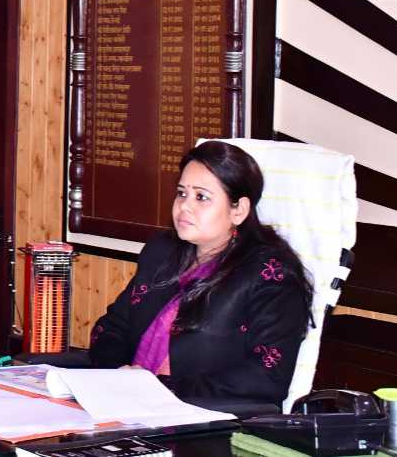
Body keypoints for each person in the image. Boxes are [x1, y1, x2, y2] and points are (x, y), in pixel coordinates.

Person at [87, 141, 313, 409]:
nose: (184, 206)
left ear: (238, 210)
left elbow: (267, 377)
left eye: (201, 197)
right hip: (126, 403)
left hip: (206, 417)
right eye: (181, 193)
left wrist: (158, 388)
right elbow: (110, 329)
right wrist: (119, 375)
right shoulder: (162, 252)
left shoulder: (271, 275)